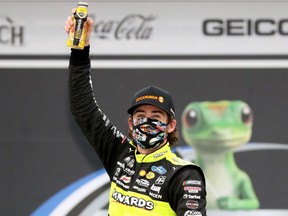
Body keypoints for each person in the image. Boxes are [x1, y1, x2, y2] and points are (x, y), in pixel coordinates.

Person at [65, 10, 207, 216]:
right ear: (131, 124)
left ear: (171, 126)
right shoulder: (120, 155)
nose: (147, 121)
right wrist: (80, 50)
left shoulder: (184, 174)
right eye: (140, 116)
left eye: (156, 117)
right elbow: (83, 108)